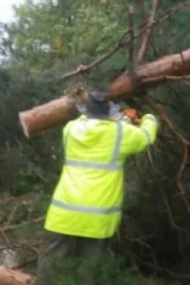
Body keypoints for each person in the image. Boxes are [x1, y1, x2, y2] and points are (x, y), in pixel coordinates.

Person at [39, 91, 158, 265]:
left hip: (63, 215)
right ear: (109, 112)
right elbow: (146, 136)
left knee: (50, 272)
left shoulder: (70, 129)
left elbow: (85, 121)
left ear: (86, 112)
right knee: (88, 277)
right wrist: (149, 118)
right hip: (98, 219)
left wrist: (116, 118)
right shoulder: (121, 133)